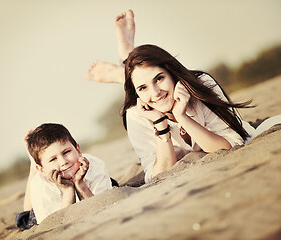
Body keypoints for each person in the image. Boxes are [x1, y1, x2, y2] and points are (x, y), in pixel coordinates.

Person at [85, 10, 281, 183]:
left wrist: (183, 117)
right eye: (142, 88)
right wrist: (161, 127)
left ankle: (123, 69)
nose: (154, 92)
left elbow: (229, 145)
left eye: (160, 78)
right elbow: (157, 176)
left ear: (172, 73)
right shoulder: (137, 113)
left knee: (145, 80)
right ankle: (124, 65)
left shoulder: (201, 85)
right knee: (143, 82)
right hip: (144, 101)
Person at [17, 123, 113, 228]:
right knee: (25, 217)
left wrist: (80, 185)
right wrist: (68, 190)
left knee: (112, 184)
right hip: (47, 210)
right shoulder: (40, 185)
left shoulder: (94, 164)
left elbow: (101, 206)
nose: (64, 162)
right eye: (53, 159)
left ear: (78, 150)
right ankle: (34, 164)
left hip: (86, 189)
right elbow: (58, 225)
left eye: (66, 152)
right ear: (42, 170)